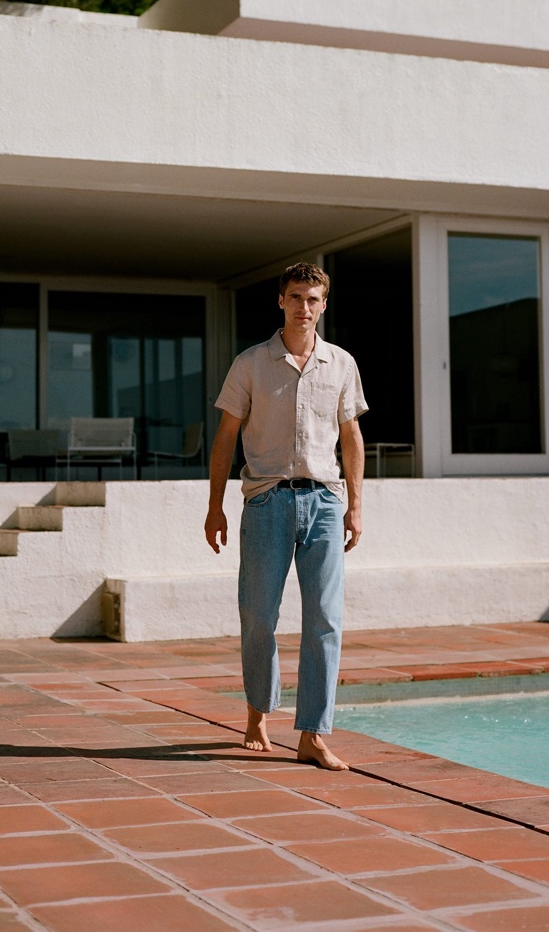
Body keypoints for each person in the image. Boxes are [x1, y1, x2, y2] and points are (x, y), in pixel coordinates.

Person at [204, 262, 366, 771]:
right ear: (281, 302)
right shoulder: (251, 363)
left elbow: (351, 438)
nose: (304, 308)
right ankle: (257, 714)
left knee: (325, 621)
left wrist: (356, 506)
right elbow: (225, 438)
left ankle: (313, 735)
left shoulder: (341, 364)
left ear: (324, 305)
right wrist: (215, 507)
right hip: (267, 501)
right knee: (258, 616)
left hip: (323, 502)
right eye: (296, 298)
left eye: (313, 299)